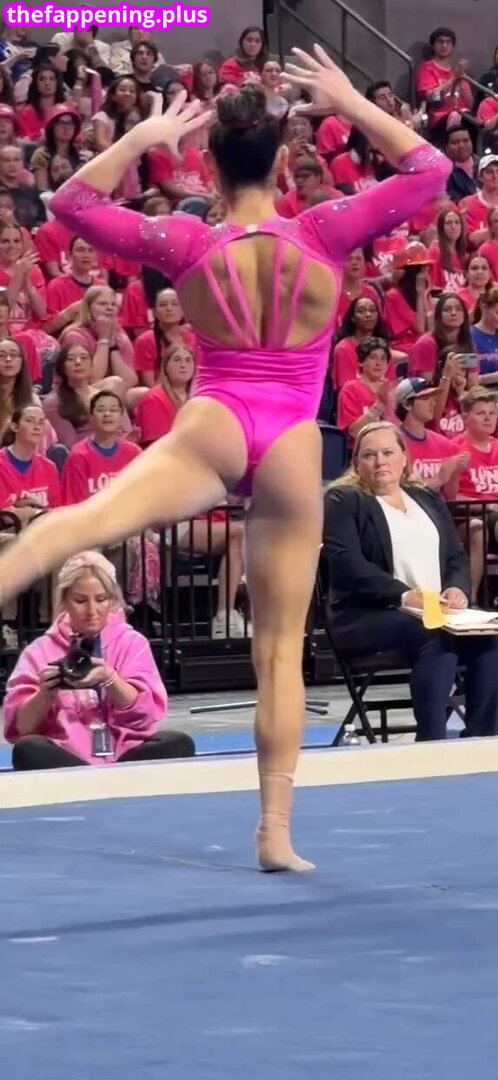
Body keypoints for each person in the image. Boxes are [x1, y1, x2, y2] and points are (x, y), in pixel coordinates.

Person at [0, 46, 451, 873]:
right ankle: (274, 831)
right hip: (291, 441)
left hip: (216, 421)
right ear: (282, 163)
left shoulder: (188, 241)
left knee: (76, 524)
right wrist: (352, 102)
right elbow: (430, 172)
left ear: (207, 164)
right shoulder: (325, 230)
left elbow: (69, 202)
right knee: (277, 649)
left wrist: (144, 138)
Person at [325, 421, 498, 741]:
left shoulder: (425, 497)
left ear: (404, 457)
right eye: (369, 455)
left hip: (436, 610)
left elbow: (455, 556)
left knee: (489, 638)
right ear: (357, 463)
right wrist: (405, 596)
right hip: (368, 614)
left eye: (388, 452)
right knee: (433, 633)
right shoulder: (344, 499)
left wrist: (456, 588)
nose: (380, 461)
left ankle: (482, 738)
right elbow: (348, 564)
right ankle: (431, 740)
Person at [4, 550, 195, 770]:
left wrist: (109, 678)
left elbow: (146, 715)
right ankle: (111, 779)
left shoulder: (132, 642)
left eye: (101, 599)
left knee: (179, 743)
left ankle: (93, 778)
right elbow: (23, 728)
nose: (92, 611)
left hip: (126, 750)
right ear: (64, 601)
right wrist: (44, 694)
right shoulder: (39, 650)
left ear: (112, 601)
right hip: (66, 751)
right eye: (80, 600)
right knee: (27, 749)